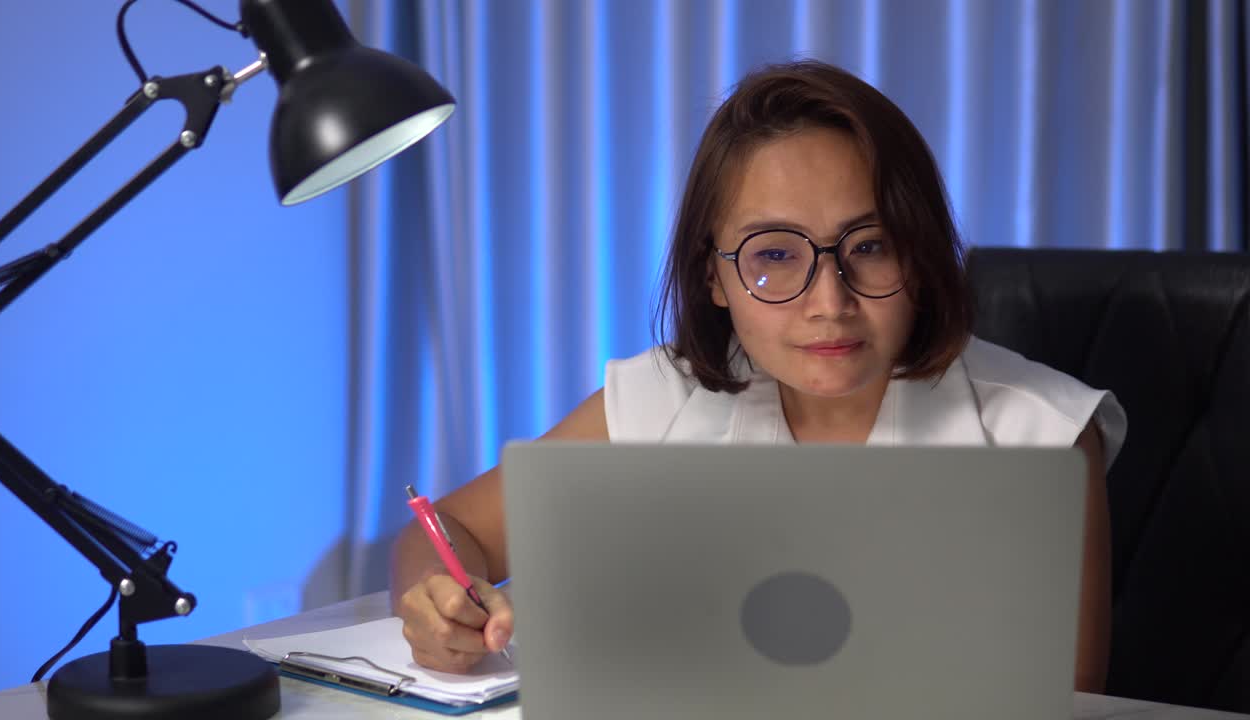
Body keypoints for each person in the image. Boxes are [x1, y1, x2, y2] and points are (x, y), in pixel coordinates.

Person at [389, 60, 1125, 693]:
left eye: (869, 246)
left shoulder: (1044, 432)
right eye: (776, 254)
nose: (829, 303)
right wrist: (438, 604)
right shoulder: (661, 396)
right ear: (715, 275)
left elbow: (1070, 701)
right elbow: (443, 532)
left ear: (921, 255)